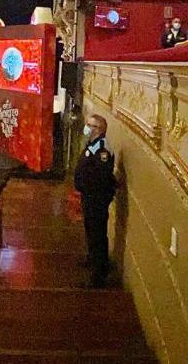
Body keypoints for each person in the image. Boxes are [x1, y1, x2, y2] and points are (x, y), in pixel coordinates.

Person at [75, 114, 116, 287]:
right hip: (89, 196)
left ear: (99, 129)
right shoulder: (93, 144)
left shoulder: (102, 150)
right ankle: (93, 259)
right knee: (91, 231)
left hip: (96, 198)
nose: (87, 128)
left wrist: (88, 189)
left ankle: (98, 275)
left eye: (90, 125)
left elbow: (100, 176)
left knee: (97, 234)